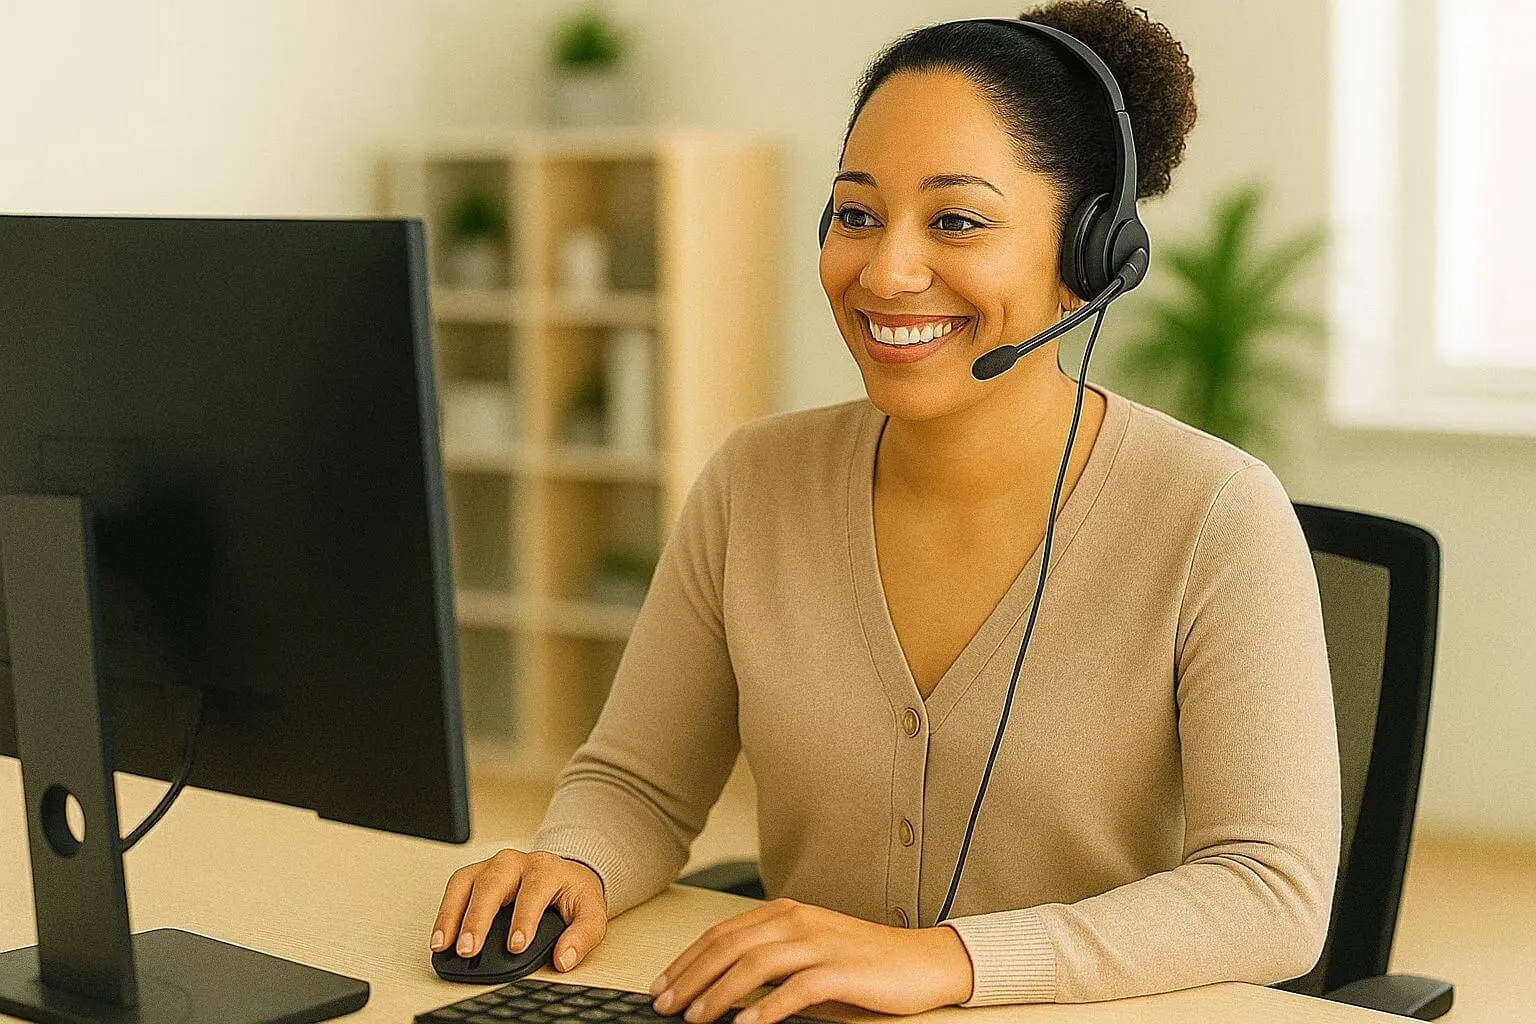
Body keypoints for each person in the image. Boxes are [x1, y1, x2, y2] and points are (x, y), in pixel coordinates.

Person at [430, 2, 1342, 1019]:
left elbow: (1270, 891)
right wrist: (574, 864)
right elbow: (638, 783)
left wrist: (947, 960)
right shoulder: (755, 482)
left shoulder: (1216, 514)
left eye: (955, 220)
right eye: (857, 214)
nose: (885, 270)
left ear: (1088, 254)